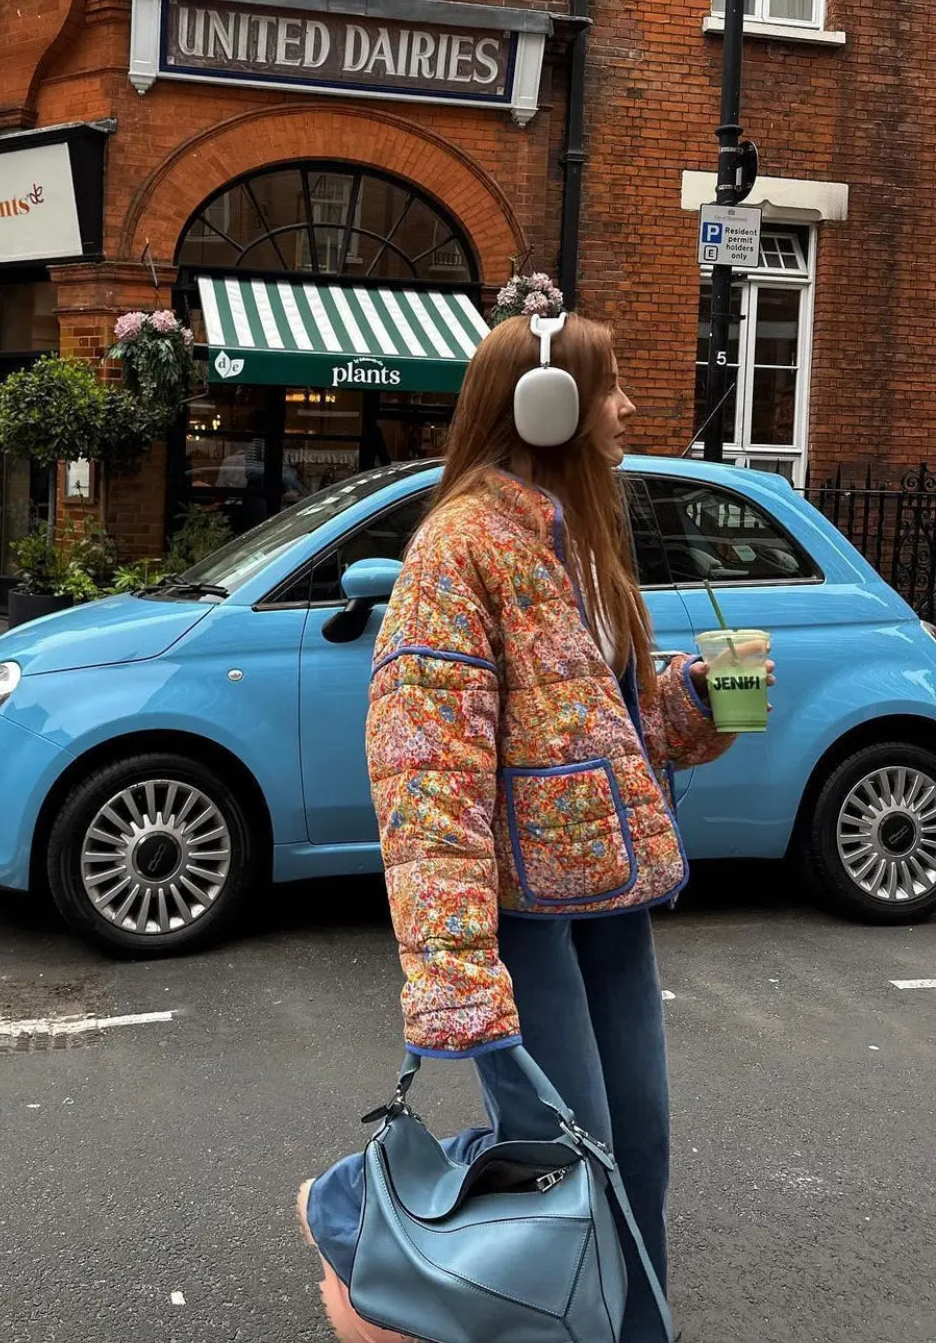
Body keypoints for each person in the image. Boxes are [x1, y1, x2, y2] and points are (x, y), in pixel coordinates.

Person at [296, 312, 775, 1343]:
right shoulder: (459, 547)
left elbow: (618, 724)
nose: (628, 409)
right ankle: (523, 1307)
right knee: (571, 1160)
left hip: (609, 899)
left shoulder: (578, 539)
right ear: (545, 404)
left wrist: (703, 696)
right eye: (611, 389)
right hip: (523, 918)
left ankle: (640, 1327)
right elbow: (427, 772)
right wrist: (457, 976)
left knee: (637, 1142)